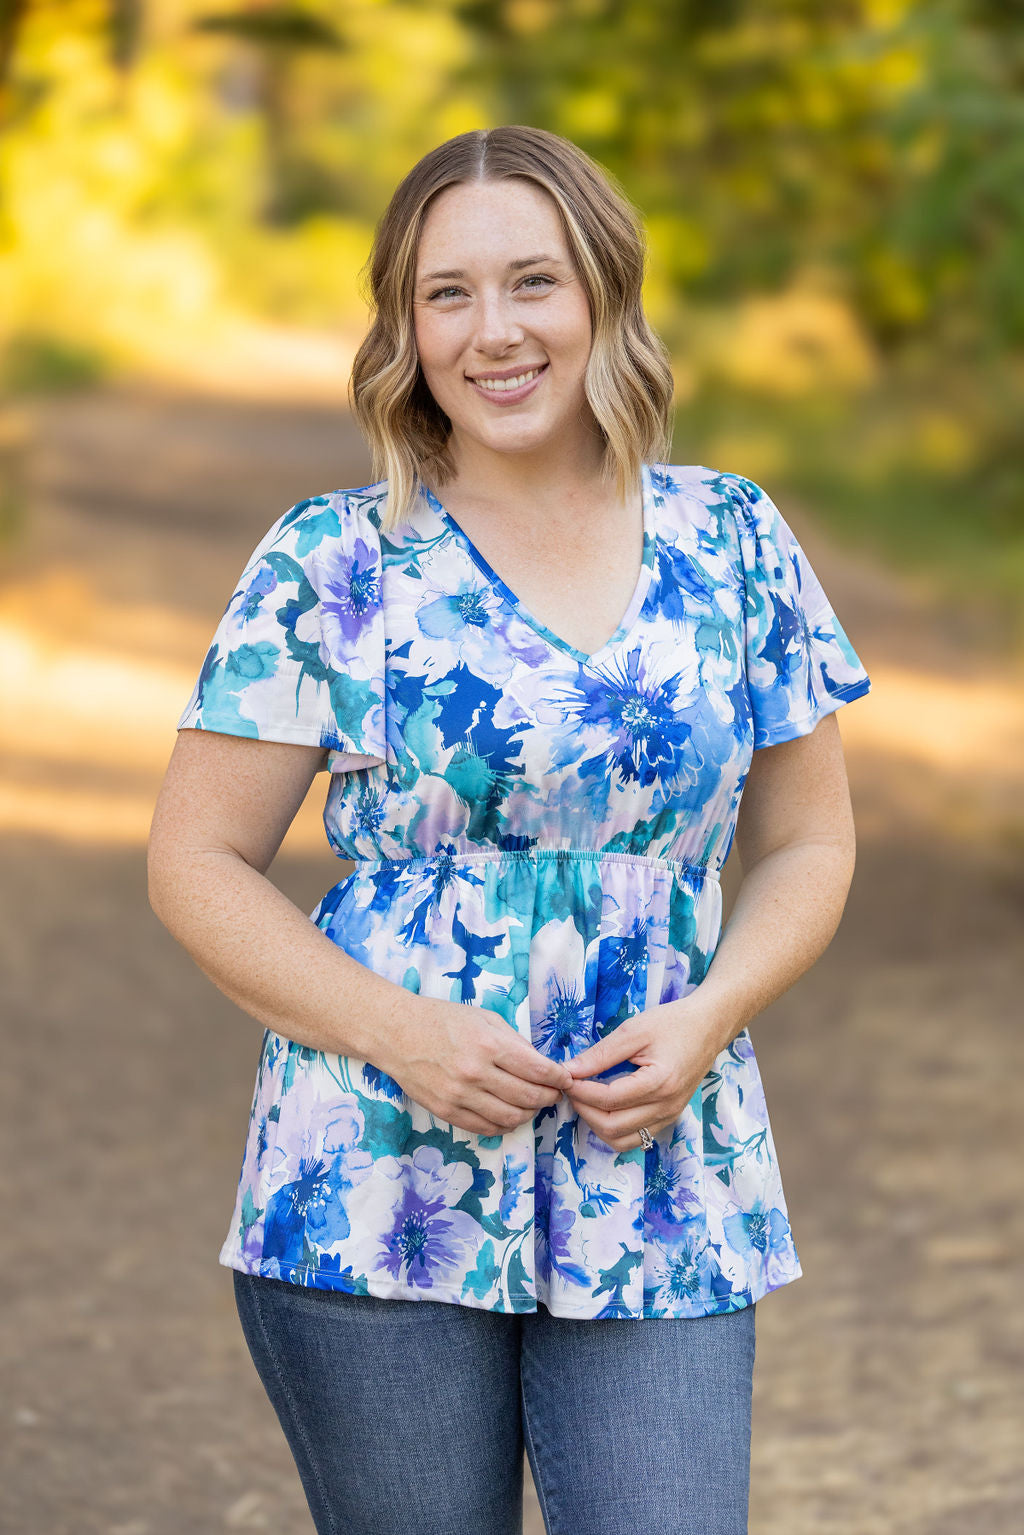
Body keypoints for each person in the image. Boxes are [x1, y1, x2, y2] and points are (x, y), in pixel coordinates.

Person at [147, 125, 872, 1535]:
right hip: (373, 1177)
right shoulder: (333, 558)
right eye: (447, 295)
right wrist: (393, 1028)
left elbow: (809, 844)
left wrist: (715, 1013)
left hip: (658, 1170)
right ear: (405, 331)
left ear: (604, 291)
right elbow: (194, 862)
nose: (495, 332)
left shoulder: (733, 538)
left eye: (533, 281)